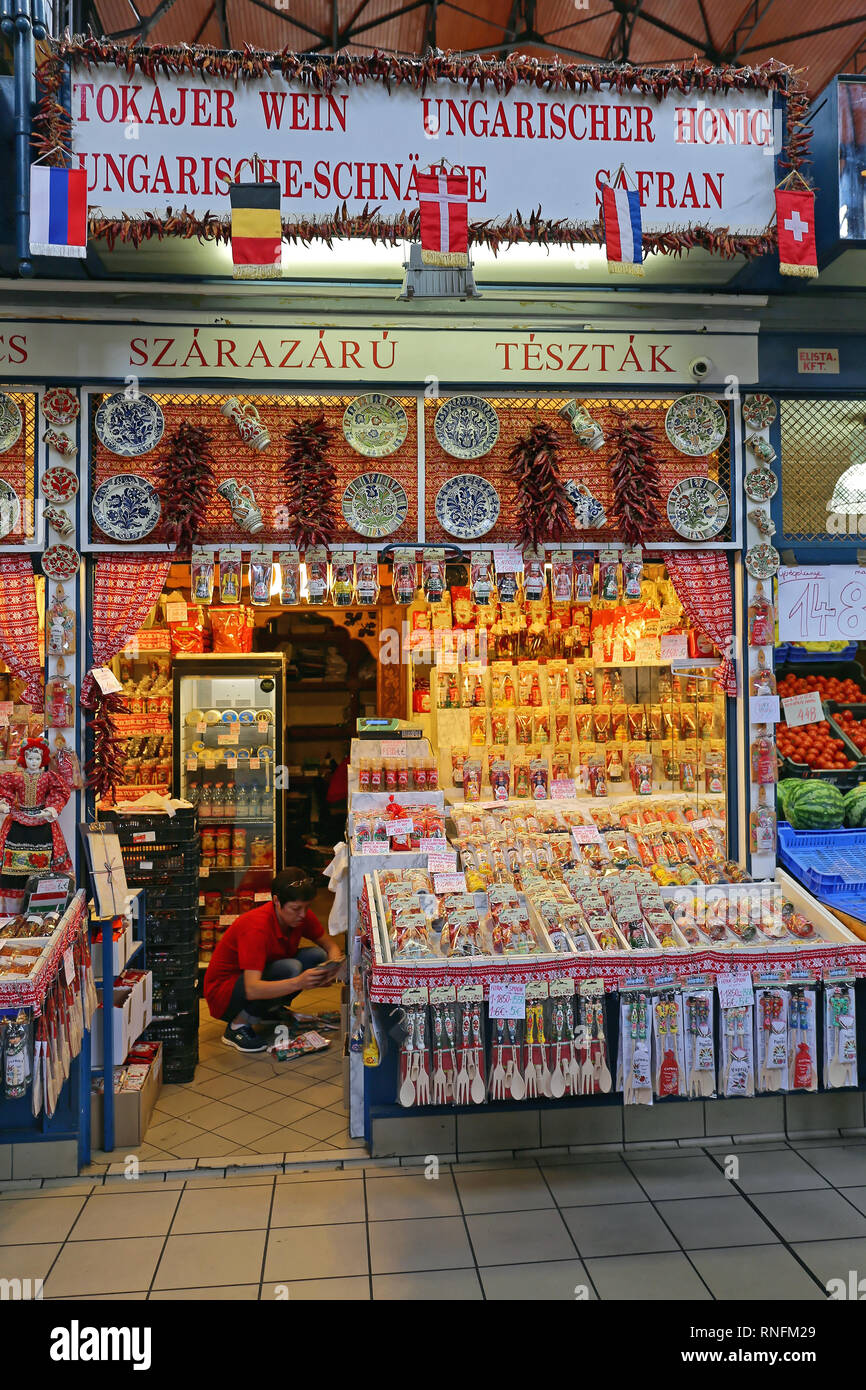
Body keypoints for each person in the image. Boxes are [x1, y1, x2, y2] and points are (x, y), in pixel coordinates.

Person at [203, 867, 344, 1053]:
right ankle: (237, 1026)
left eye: (306, 907)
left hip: (258, 975)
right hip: (224, 992)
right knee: (291, 968)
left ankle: (267, 1011)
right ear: (277, 901)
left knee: (317, 957)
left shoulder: (300, 915)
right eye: (296, 909)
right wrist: (299, 982)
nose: (303, 914)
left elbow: (331, 947)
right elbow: (252, 988)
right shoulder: (257, 927)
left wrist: (331, 968)